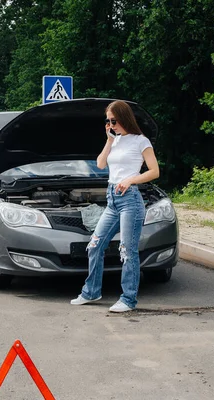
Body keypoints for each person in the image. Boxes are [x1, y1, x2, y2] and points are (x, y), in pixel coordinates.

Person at [71, 100, 160, 312]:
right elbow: (101, 164)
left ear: (124, 118)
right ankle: (91, 292)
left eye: (114, 120)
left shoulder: (141, 141)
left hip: (130, 199)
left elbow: (154, 171)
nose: (111, 124)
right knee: (95, 245)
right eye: (108, 121)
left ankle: (128, 299)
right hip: (112, 200)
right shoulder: (116, 140)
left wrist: (131, 180)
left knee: (127, 251)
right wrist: (109, 140)